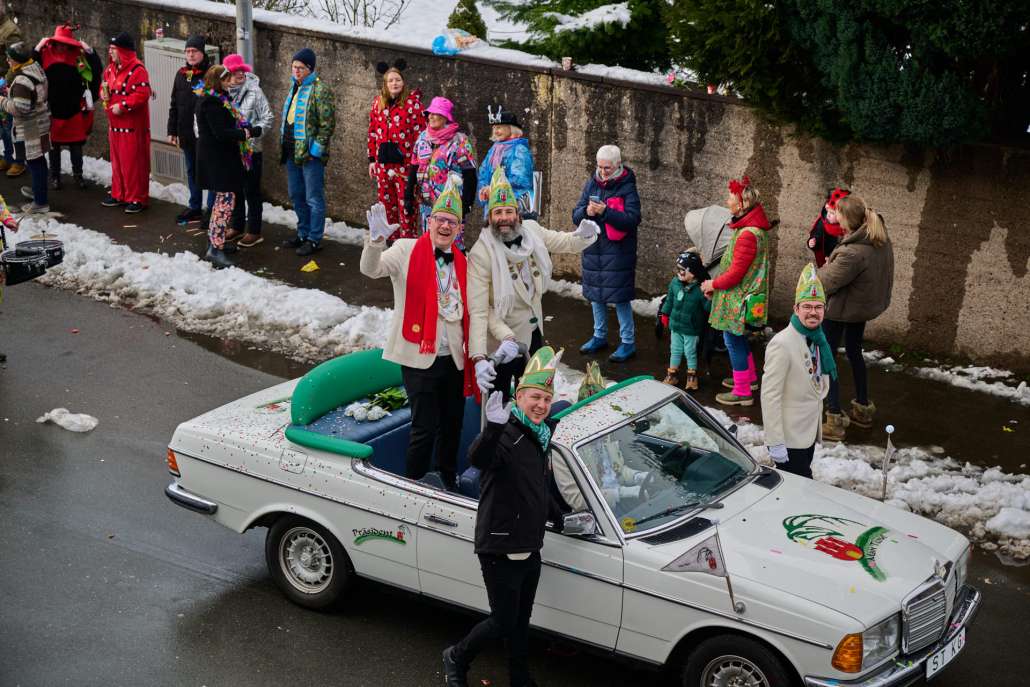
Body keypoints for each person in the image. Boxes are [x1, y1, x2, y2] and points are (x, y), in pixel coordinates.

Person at [443, 346, 567, 687]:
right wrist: (492, 429)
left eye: (546, 399)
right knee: (502, 622)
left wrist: (555, 512)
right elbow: (479, 457)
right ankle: (456, 658)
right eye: (534, 397)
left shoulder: (540, 435)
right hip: (501, 548)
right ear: (518, 397)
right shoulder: (507, 433)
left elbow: (534, 483)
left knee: (519, 622)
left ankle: (519, 678)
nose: (541, 405)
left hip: (530, 545)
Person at [361, 180, 476, 492]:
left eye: (452, 222)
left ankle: (446, 479)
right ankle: (411, 485)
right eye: (440, 219)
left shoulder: (463, 261)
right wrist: (376, 242)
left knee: (452, 425)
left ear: (459, 229)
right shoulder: (405, 249)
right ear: (429, 221)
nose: (445, 226)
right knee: (424, 427)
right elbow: (372, 270)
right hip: (418, 356)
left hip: (454, 358)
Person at [467, 166, 599, 401]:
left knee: (531, 400)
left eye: (509, 211)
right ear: (489, 218)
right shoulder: (480, 253)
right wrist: (478, 357)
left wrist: (584, 235)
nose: (504, 218)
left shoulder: (532, 231)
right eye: (498, 212)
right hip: (501, 343)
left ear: (518, 215)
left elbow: (565, 242)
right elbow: (479, 310)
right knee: (498, 405)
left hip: (533, 333)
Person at [817, 194, 894, 442]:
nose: (835, 216)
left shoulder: (852, 252)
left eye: (838, 213)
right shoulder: (879, 238)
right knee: (854, 352)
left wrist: (819, 272)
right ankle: (862, 409)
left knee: (827, 359)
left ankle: (834, 420)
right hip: (861, 308)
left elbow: (825, 282)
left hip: (841, 310)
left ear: (846, 219)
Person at [701, 176, 773, 406]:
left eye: (730, 199)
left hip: (737, 299)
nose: (728, 202)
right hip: (739, 296)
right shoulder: (753, 229)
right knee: (737, 338)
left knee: (732, 340)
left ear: (740, 205)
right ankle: (748, 379)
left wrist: (713, 284)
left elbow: (735, 274)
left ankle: (742, 392)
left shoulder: (748, 234)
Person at [761, 264, 834, 479]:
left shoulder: (818, 338)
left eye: (818, 307)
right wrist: (775, 442)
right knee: (801, 487)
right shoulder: (782, 343)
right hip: (789, 438)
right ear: (796, 309)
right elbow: (770, 396)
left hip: (808, 434)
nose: (813, 312)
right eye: (807, 307)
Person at [573, 144, 642, 363]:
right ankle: (599, 336)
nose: (602, 172)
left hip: (618, 252)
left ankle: (628, 342)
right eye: (599, 167)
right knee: (596, 296)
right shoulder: (591, 183)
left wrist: (606, 212)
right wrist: (586, 212)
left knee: (620, 298)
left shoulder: (627, 187)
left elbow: (633, 219)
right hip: (594, 250)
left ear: (618, 164)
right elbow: (575, 216)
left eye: (607, 168)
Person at [195, 64, 255, 269]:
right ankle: (215, 249)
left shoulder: (217, 98)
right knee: (224, 202)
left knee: (222, 202)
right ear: (218, 81)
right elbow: (220, 133)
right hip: (216, 159)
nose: (230, 83)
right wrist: (246, 133)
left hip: (219, 157)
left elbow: (228, 122)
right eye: (227, 80)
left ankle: (214, 241)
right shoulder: (211, 102)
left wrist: (243, 125)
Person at [280, 48, 336, 257]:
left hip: (310, 156)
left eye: (300, 68)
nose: (296, 71)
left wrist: (315, 152)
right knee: (296, 195)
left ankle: (314, 239)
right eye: (294, 67)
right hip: (291, 152)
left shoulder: (321, 90)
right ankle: (303, 233)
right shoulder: (294, 86)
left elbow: (327, 126)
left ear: (310, 68)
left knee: (314, 199)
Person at [32, 25, 103, 191]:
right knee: (53, 146)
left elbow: (97, 69)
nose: (62, 46)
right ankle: (55, 176)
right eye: (59, 43)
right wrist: (38, 46)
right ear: (54, 42)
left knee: (76, 145)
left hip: (73, 106)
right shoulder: (45, 54)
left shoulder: (79, 54)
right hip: (53, 107)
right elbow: (31, 65)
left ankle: (78, 175)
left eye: (65, 43)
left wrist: (89, 50)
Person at [404, 96, 477, 251]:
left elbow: (470, 174)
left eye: (435, 113)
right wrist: (409, 196)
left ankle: (456, 267)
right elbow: (414, 167)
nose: (430, 117)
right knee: (430, 244)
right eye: (429, 113)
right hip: (427, 205)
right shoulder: (422, 138)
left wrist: (467, 204)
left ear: (445, 117)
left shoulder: (459, 140)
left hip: (451, 206)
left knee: (453, 244)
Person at [367, 59, 423, 242]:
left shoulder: (413, 104)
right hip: (383, 165)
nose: (394, 83)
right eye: (390, 80)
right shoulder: (378, 103)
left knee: (407, 206)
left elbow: (421, 136)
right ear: (385, 83)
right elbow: (373, 132)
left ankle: (407, 243)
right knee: (386, 205)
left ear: (403, 82)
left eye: (398, 80)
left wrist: (419, 165)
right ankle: (391, 242)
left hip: (406, 166)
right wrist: (372, 160)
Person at [223, 53, 272, 247]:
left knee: (251, 191)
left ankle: (254, 231)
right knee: (235, 189)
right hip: (231, 150)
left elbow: (267, 117)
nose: (240, 74)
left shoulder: (254, 91)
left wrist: (253, 134)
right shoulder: (223, 93)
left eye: (242, 70)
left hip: (251, 151)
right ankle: (237, 226)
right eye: (235, 71)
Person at [100, 31, 151, 214]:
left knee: (133, 163)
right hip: (115, 126)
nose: (111, 51)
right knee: (117, 162)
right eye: (110, 48)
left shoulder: (138, 70)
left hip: (132, 128)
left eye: (114, 48)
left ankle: (137, 198)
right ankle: (119, 194)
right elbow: (104, 84)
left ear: (124, 51)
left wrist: (122, 106)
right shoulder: (110, 68)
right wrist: (102, 93)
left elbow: (142, 94)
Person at [0, 42, 51, 214]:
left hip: (30, 126)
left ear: (18, 60)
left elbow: (19, 109)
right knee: (39, 159)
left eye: (10, 58)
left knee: (34, 161)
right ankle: (38, 190)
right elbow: (34, 95)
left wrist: (2, 101)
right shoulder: (35, 68)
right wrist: (12, 93)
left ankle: (41, 201)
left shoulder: (22, 80)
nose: (7, 60)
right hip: (42, 119)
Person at [168, 34, 211, 224]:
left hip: (205, 136)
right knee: (192, 170)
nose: (191, 54)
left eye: (195, 51)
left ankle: (211, 210)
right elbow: (174, 104)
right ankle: (195, 206)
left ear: (202, 52)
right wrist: (172, 131)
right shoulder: (181, 74)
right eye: (188, 51)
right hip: (186, 132)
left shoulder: (211, 75)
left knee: (209, 172)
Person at [660, 250, 711, 390]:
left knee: (690, 352)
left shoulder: (700, 289)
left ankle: (692, 375)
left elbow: (707, 309)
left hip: (691, 328)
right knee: (675, 350)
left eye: (682, 270)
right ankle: (672, 374)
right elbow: (669, 300)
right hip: (676, 325)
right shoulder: (675, 283)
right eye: (678, 269)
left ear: (692, 273)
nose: (678, 272)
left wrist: (710, 298)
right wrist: (665, 314)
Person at [476, 106, 535, 220]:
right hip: (493, 206)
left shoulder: (519, 150)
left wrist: (494, 188)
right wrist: (483, 190)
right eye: (494, 128)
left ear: (511, 128)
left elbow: (521, 180)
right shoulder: (494, 149)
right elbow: (484, 172)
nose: (495, 131)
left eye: (499, 127)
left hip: (513, 209)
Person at [0, 0, 25, 178]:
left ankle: (19, 161)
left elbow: (17, 60)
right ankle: (8, 156)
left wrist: (4, 83)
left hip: (7, 85)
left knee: (12, 125)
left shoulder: (10, 30)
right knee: (3, 125)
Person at [807, 188, 850, 267]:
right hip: (827, 258)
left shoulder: (849, 227)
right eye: (827, 211)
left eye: (832, 213)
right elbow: (818, 236)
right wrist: (813, 242)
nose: (828, 215)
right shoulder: (822, 222)